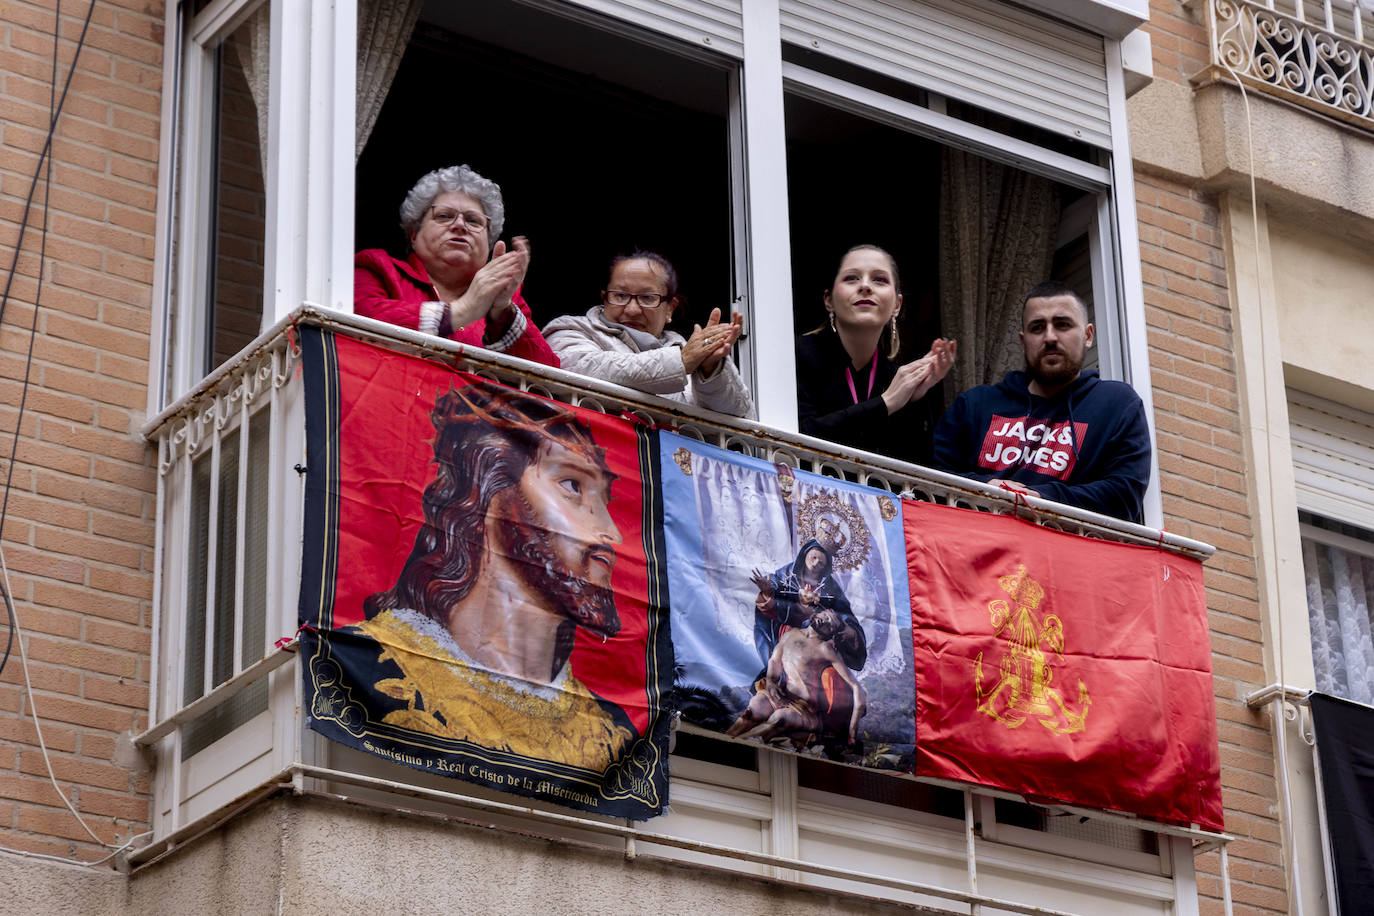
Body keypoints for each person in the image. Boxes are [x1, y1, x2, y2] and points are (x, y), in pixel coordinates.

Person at [356, 381, 634, 770]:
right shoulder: (368, 663)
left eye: (603, 499)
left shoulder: (612, 733)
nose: (612, 536)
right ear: (490, 488)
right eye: (573, 486)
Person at [932, 281, 1152, 523]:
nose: (1049, 337)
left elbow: (1124, 497)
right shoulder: (974, 405)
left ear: (1088, 336)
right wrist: (988, 486)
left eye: (1062, 325)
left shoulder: (1117, 405)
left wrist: (1037, 499)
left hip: (1069, 553)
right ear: (1023, 340)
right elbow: (931, 481)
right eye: (1037, 328)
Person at [354, 164, 558, 366]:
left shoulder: (506, 301)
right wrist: (463, 310)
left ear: (488, 243)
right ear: (414, 234)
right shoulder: (378, 268)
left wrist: (501, 314)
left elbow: (550, 379)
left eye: (474, 221)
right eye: (444, 216)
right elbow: (359, 325)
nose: (460, 225)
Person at [796, 245, 957, 465]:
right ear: (829, 300)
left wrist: (914, 402)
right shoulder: (796, 355)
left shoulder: (896, 378)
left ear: (897, 305)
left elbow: (918, 473)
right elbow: (797, 440)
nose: (865, 286)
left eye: (879, 280)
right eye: (851, 278)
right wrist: (887, 403)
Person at [543, 251, 752, 417]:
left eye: (648, 298)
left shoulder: (690, 351)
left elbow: (742, 417)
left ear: (670, 308)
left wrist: (711, 370)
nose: (632, 309)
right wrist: (680, 362)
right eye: (620, 295)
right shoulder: (569, 330)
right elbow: (583, 369)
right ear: (604, 298)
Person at [726, 609, 869, 748]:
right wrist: (770, 682)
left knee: (779, 719)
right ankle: (724, 738)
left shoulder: (825, 649)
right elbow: (775, 661)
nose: (823, 620)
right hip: (781, 695)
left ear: (831, 631)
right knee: (755, 707)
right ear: (815, 614)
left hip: (803, 708)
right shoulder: (791, 633)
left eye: (828, 621)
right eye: (824, 615)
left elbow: (856, 687)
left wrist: (852, 730)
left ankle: (735, 745)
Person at [749, 538, 866, 672]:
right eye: (813, 557)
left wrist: (850, 631)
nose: (815, 563)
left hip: (816, 642)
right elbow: (771, 608)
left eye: (821, 562)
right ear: (805, 554)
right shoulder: (785, 576)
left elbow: (845, 615)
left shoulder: (830, 588)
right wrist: (768, 591)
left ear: (825, 567)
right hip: (787, 637)